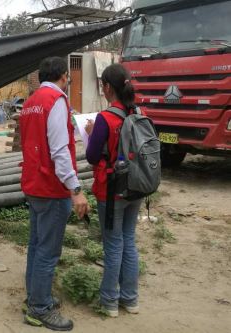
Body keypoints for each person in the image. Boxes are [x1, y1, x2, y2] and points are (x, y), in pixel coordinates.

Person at [19, 56, 89, 331]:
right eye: (68, 78)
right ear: (63, 76)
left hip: (33, 185)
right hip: (51, 188)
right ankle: (39, 308)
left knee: (37, 246)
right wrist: (76, 189)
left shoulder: (30, 103)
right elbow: (60, 151)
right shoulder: (56, 101)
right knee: (48, 251)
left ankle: (35, 298)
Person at [85, 63, 142, 318]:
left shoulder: (104, 118)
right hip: (135, 188)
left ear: (107, 87)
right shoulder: (139, 113)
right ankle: (130, 300)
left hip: (111, 191)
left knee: (113, 245)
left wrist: (89, 133)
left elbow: (91, 156)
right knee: (128, 241)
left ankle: (109, 302)